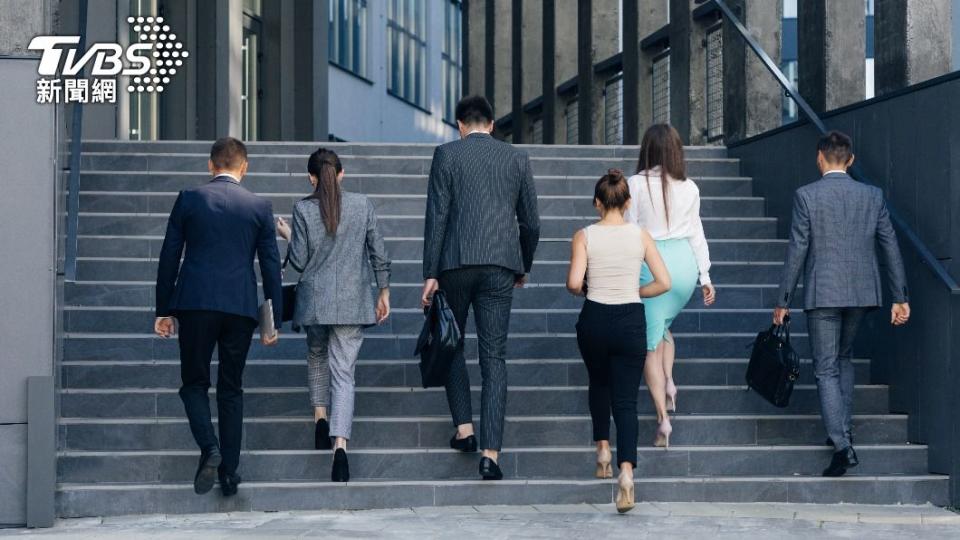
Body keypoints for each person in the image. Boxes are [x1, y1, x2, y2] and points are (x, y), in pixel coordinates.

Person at [774, 130, 910, 477]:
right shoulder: (872, 195)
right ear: (850, 160)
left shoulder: (807, 196)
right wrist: (900, 297)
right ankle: (842, 430)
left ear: (820, 157)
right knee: (843, 358)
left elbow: (797, 251)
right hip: (863, 293)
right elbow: (889, 246)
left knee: (825, 368)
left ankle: (842, 444)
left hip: (823, 295)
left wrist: (783, 301)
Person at [421, 95, 541, 480]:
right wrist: (521, 263)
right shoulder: (516, 159)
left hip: (455, 263)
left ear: (459, 125)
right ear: (492, 124)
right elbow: (532, 224)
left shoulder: (446, 155)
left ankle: (465, 429)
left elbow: (437, 217)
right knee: (495, 357)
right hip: (500, 265)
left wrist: (430, 272)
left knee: (451, 340)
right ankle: (491, 454)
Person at [154, 137, 283, 497]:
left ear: (210, 166)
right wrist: (273, 320)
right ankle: (229, 472)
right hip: (240, 308)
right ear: (245, 167)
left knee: (194, 383)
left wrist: (163, 310)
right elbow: (271, 267)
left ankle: (208, 447)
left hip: (195, 303)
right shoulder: (259, 206)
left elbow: (168, 258)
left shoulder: (189, 199)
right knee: (231, 388)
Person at [276, 148, 391, 483]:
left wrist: (287, 236)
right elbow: (378, 253)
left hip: (314, 302)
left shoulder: (303, 209)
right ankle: (340, 447)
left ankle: (320, 417)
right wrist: (383, 291)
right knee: (344, 374)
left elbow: (297, 262)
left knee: (315, 354)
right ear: (341, 174)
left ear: (312, 177)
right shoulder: (362, 204)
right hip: (353, 303)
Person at [567, 169, 671, 514]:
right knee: (625, 401)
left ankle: (602, 451)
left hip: (595, 319)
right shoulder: (640, 236)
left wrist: (589, 285)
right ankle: (626, 474)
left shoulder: (584, 236)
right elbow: (664, 282)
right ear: (627, 204)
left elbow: (572, 283)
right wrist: (635, 291)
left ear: (597, 203)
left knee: (599, 384)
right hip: (630, 320)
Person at [625, 124, 716, 448]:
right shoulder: (690, 187)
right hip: (683, 266)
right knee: (661, 328)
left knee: (649, 343)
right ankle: (671, 384)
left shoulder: (634, 184)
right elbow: (696, 234)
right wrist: (704, 276)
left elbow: (630, 230)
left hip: (651, 264)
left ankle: (663, 419)